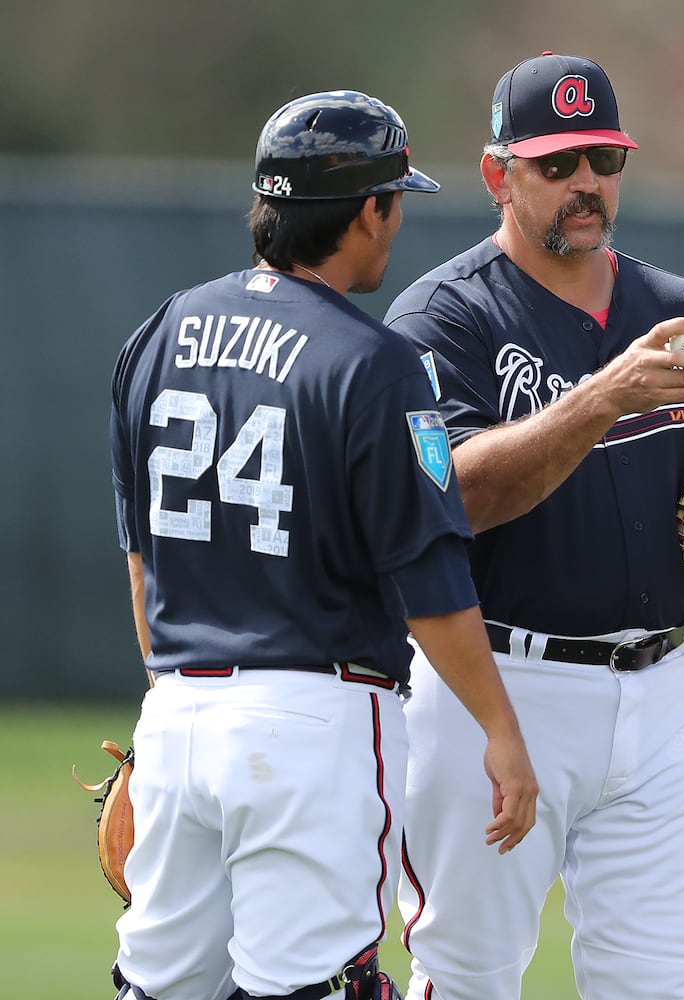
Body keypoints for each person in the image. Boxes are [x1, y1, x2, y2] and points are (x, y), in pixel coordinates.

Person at [383, 51, 684, 1000]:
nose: (584, 182)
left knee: (660, 981)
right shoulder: (444, 318)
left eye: (603, 157)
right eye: (556, 163)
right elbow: (448, 497)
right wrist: (604, 398)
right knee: (465, 975)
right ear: (498, 174)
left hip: (662, 684)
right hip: (496, 684)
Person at [107, 90, 538, 1000]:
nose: (394, 227)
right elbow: (429, 578)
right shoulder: (373, 362)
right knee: (310, 988)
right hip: (313, 721)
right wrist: (500, 729)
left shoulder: (159, 332)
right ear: (366, 210)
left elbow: (142, 559)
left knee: (156, 990)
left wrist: (173, 714)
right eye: (393, 203)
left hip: (178, 710)